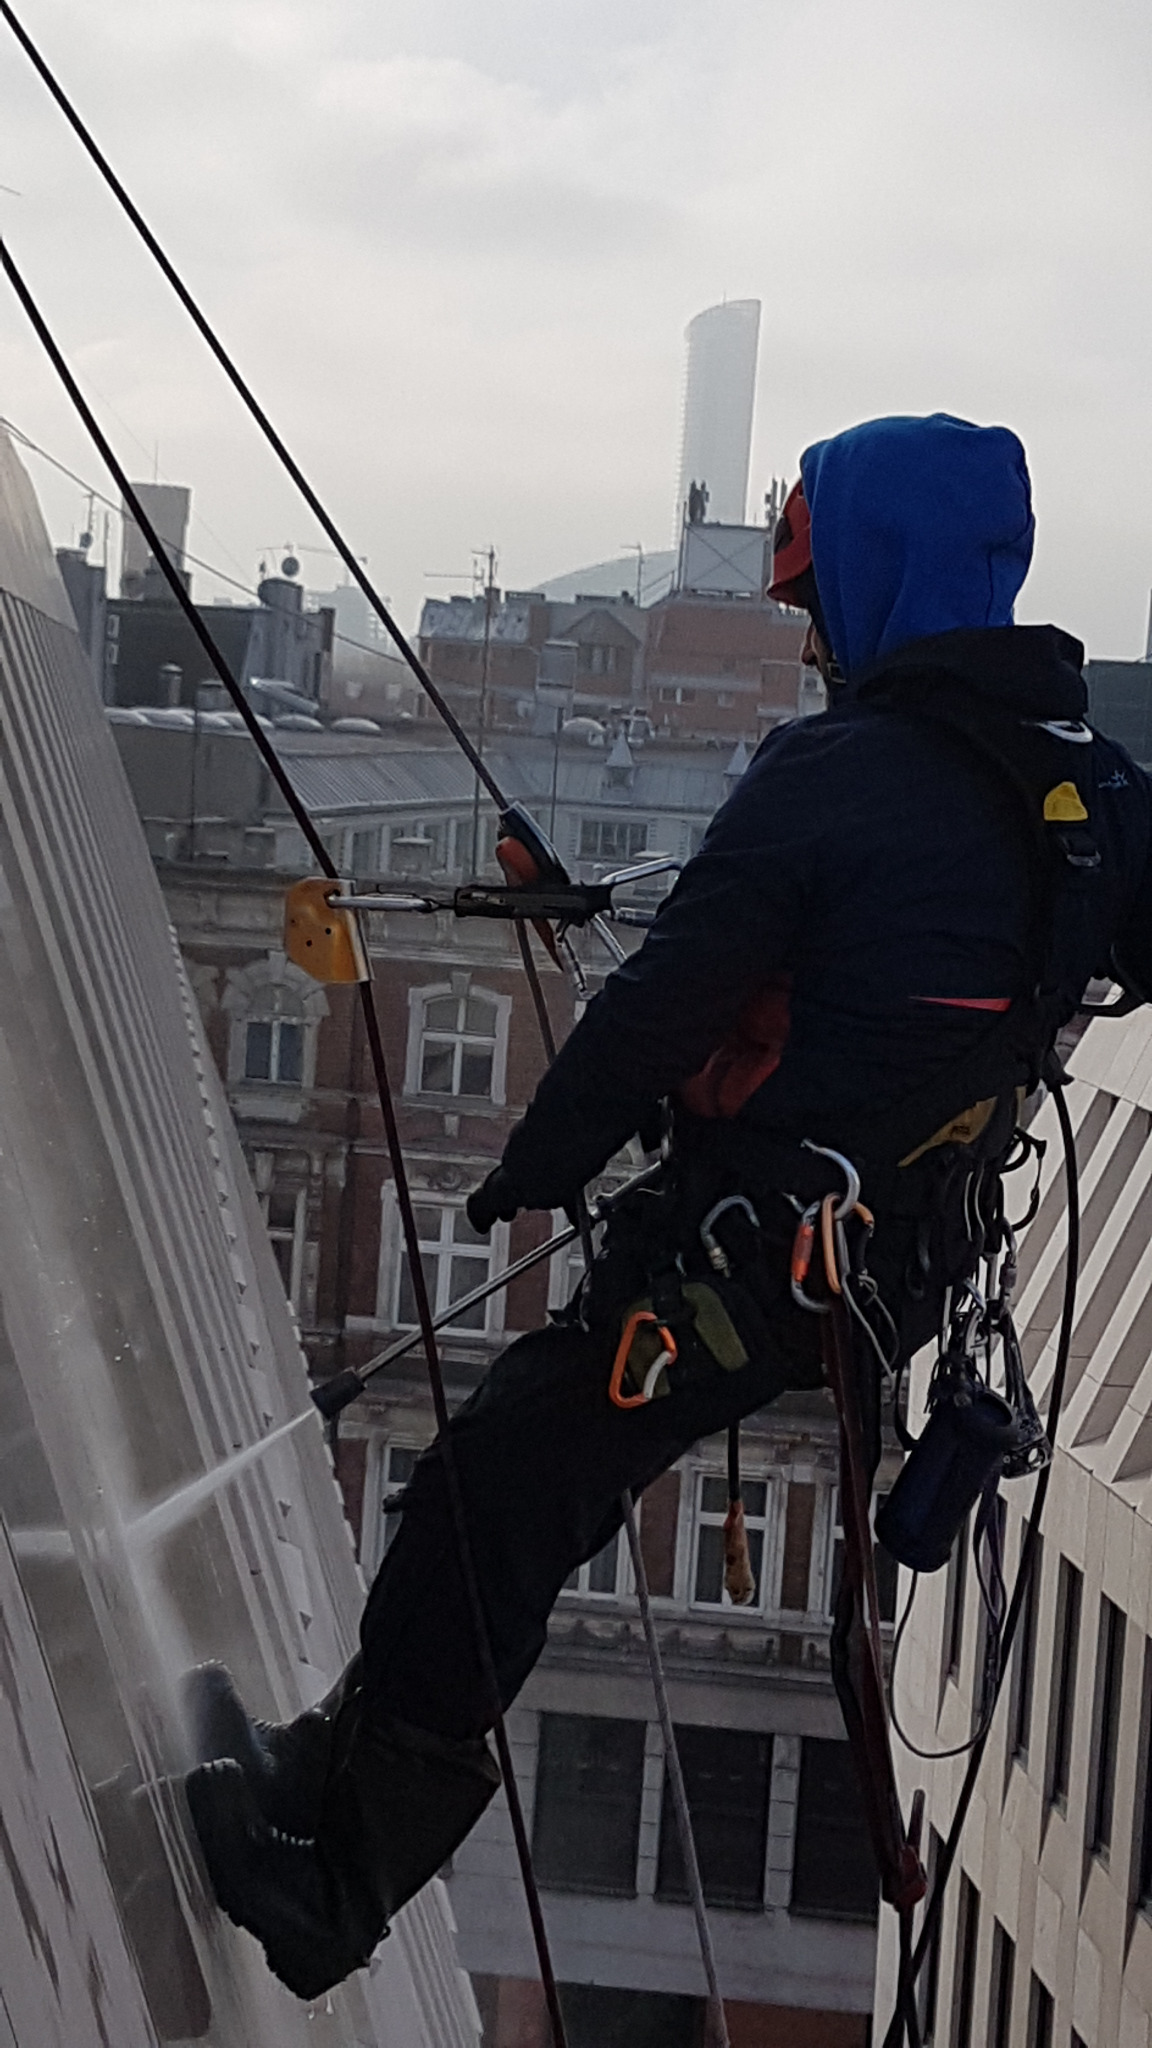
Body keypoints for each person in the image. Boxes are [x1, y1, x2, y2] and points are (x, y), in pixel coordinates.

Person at [186, 413, 1152, 2000]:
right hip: (866, 1275)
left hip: (750, 1260)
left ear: (879, 575)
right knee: (519, 1490)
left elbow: (665, 1007)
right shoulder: (1097, 796)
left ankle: (337, 1873)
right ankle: (325, 1782)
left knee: (493, 1490)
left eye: (818, 596)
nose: (815, 636)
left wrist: (537, 1164)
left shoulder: (837, 774)